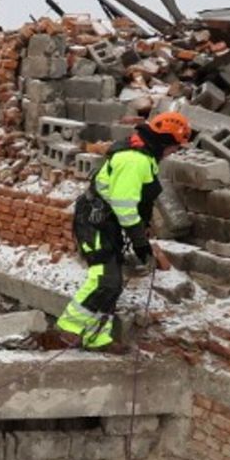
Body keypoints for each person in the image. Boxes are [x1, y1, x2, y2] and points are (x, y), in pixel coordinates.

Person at [56, 111, 192, 351]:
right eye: (174, 147)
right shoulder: (134, 160)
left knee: (113, 284)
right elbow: (123, 205)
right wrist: (139, 241)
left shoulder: (146, 156)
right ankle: (68, 329)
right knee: (105, 280)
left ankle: (96, 338)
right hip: (95, 221)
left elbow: (137, 200)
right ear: (164, 141)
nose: (173, 152)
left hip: (108, 222)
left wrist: (142, 227)